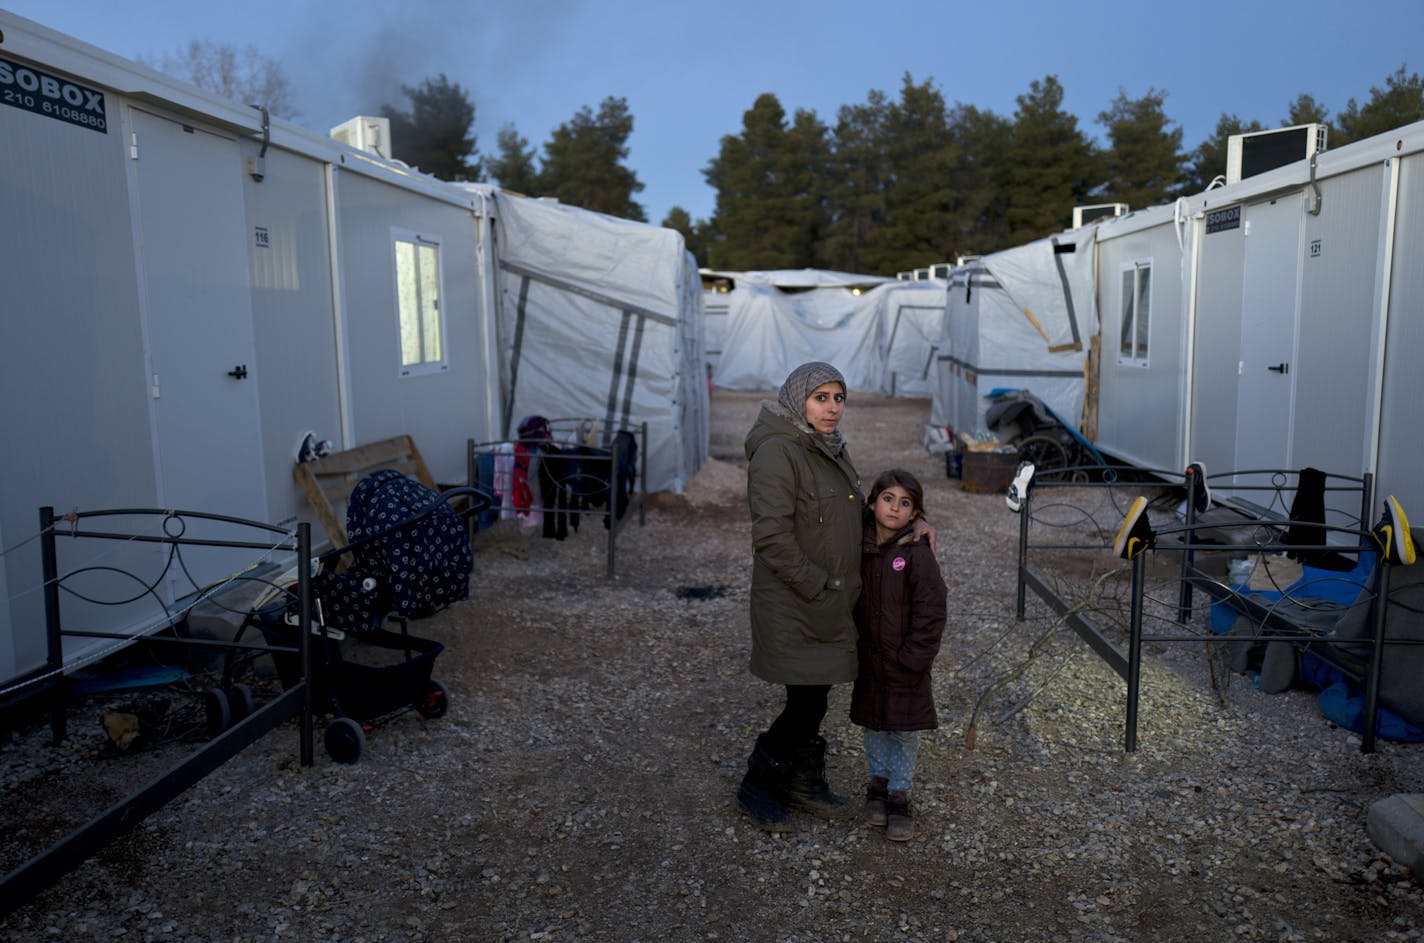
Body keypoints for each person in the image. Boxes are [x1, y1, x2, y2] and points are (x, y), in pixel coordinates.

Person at [735, 362, 932, 831]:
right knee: (805, 702)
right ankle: (758, 785)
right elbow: (772, 538)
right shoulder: (777, 452)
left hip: (827, 602)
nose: (831, 408)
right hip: (797, 601)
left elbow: (851, 518)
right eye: (820, 397)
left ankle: (802, 783)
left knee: (815, 696)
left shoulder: (827, 448)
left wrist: (914, 521)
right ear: (797, 398)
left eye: (838, 398)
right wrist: (820, 586)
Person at [850, 468, 948, 842]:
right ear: (872, 503)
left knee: (904, 729)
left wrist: (914, 658)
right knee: (874, 723)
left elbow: (932, 610)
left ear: (915, 514)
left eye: (905, 503)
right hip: (870, 659)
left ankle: (899, 793)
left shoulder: (917, 554)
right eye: (888, 499)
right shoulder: (859, 544)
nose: (894, 508)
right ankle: (877, 783)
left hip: (906, 663)